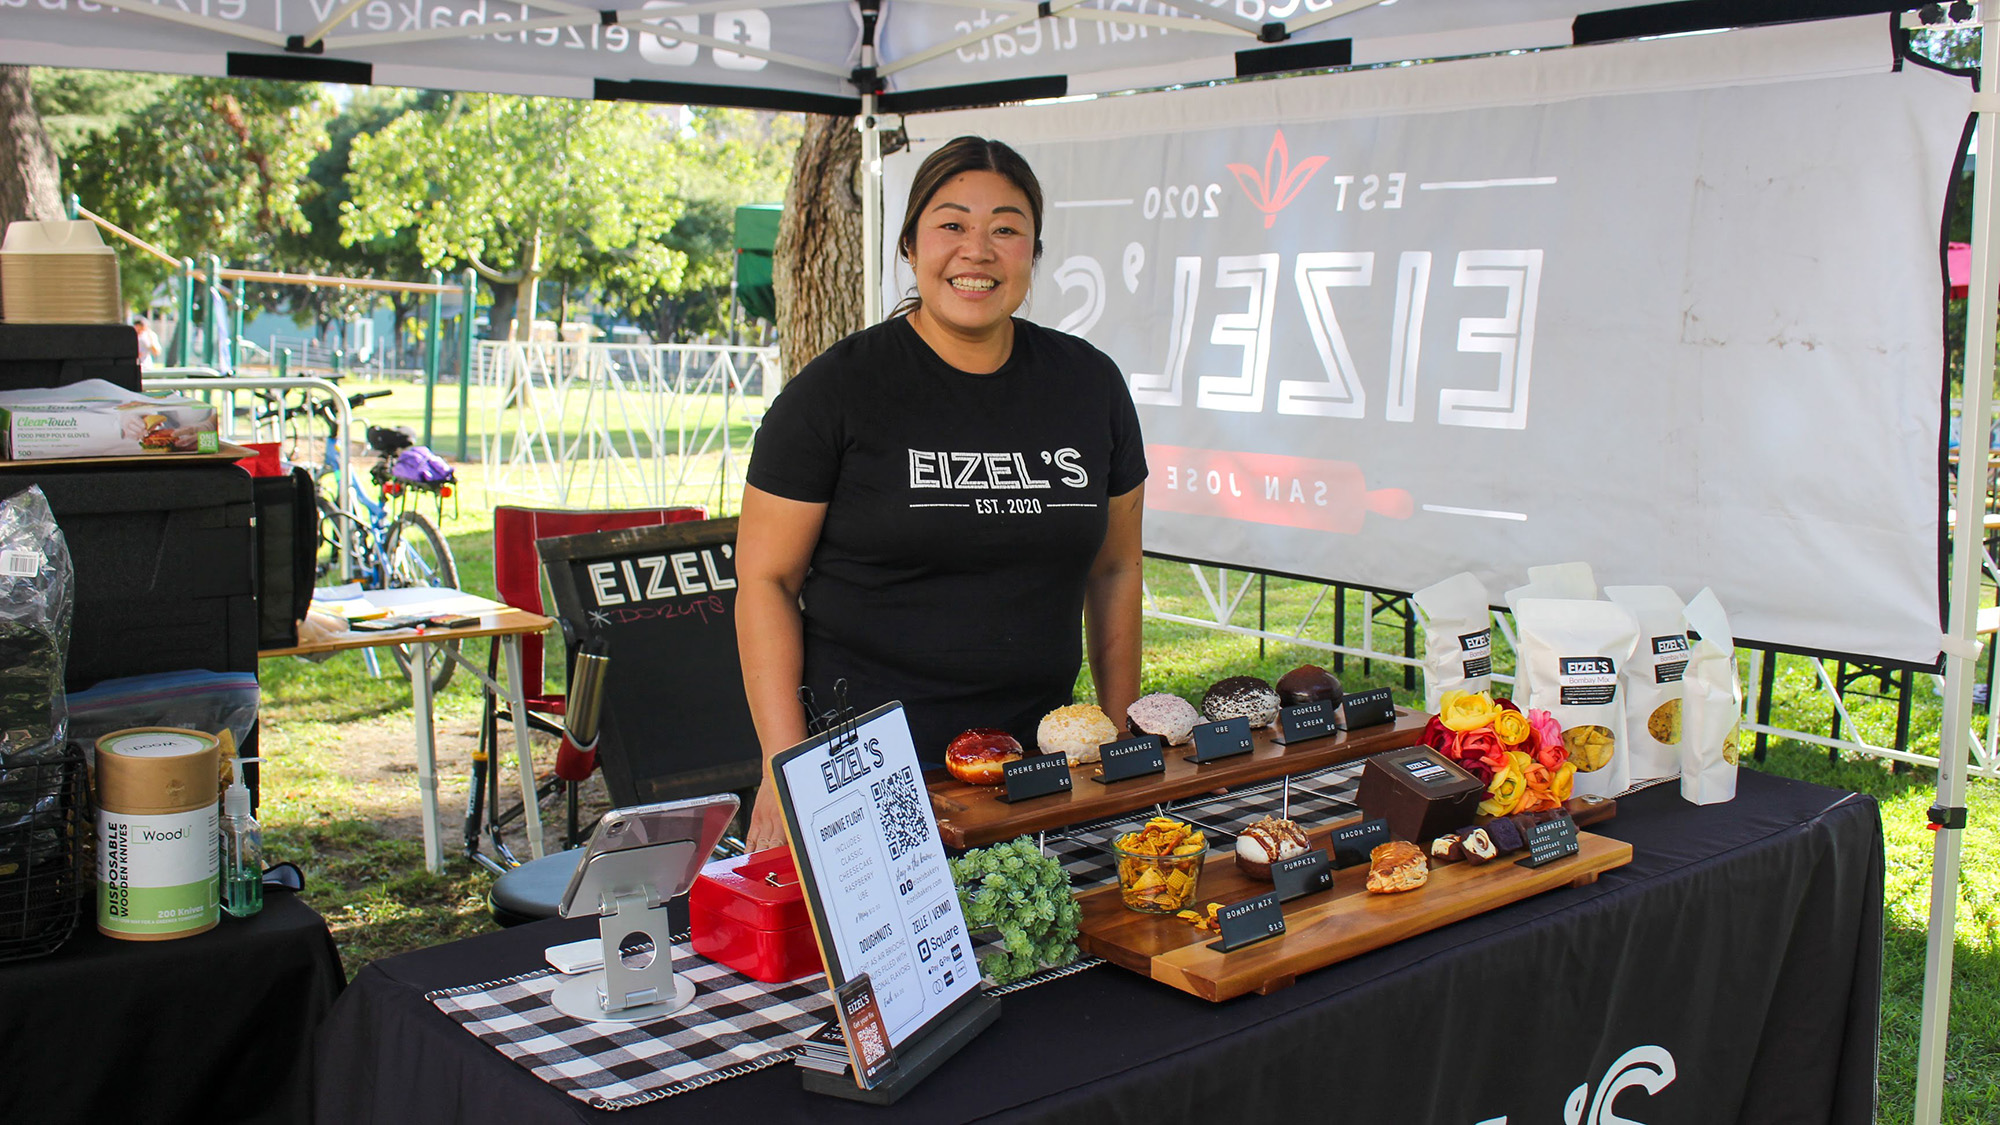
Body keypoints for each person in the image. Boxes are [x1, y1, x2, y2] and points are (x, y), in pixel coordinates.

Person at [736, 136, 1148, 851]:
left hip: (1041, 766)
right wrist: (783, 765)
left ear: (1033, 249)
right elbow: (765, 580)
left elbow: (1115, 569)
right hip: (865, 771)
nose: (977, 250)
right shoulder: (835, 393)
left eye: (1006, 229)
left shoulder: (1090, 386)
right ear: (910, 244)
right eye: (952, 224)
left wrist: (1116, 737)